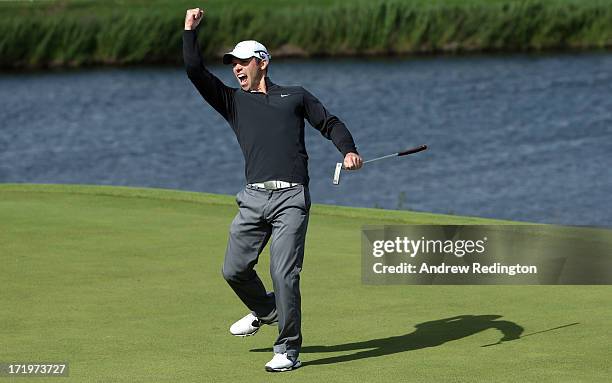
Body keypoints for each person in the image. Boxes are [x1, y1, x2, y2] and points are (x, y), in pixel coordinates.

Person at [183, 8, 363, 372]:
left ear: (262, 62)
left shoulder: (294, 96)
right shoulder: (232, 101)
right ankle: (266, 310)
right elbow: (194, 71)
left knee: (284, 274)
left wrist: (348, 150)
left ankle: (288, 350)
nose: (236, 68)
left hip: (290, 200)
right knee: (233, 270)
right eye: (232, 63)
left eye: (243, 62)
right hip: (253, 199)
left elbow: (330, 123)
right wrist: (189, 30)